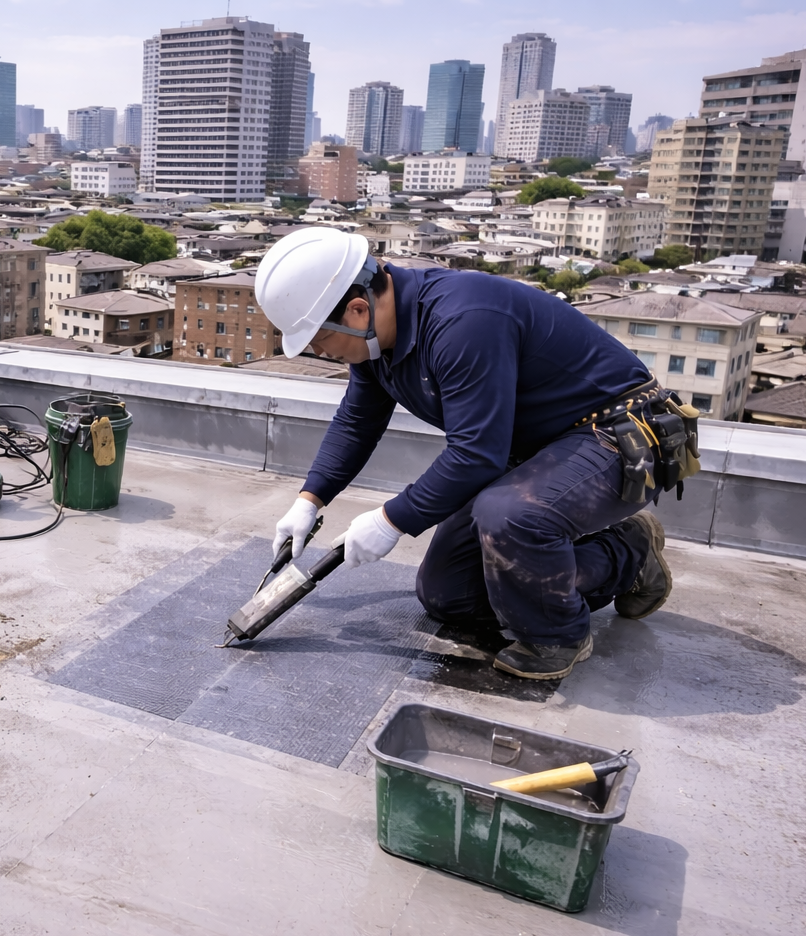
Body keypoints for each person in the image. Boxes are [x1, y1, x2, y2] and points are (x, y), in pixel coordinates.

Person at [256, 228, 684, 681]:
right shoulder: (377, 344)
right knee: (449, 596)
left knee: (509, 515)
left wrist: (391, 519)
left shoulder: (463, 319)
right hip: (535, 450)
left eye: (320, 339)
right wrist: (310, 500)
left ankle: (606, 580)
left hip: (617, 435)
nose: (321, 351)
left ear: (358, 310)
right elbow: (357, 422)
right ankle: (574, 551)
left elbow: (478, 454)